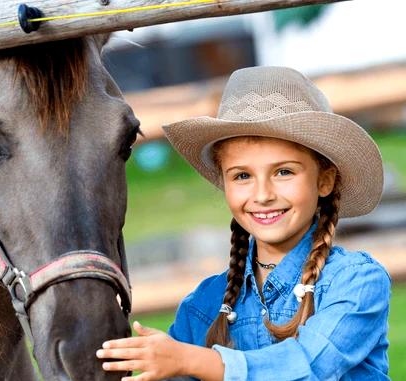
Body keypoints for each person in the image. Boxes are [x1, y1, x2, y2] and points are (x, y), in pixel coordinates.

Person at [96, 66, 390, 381]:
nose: (262, 194)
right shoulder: (203, 306)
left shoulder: (356, 281)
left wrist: (189, 360)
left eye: (284, 172)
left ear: (325, 181)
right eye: (243, 176)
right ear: (224, 183)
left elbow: (310, 366)